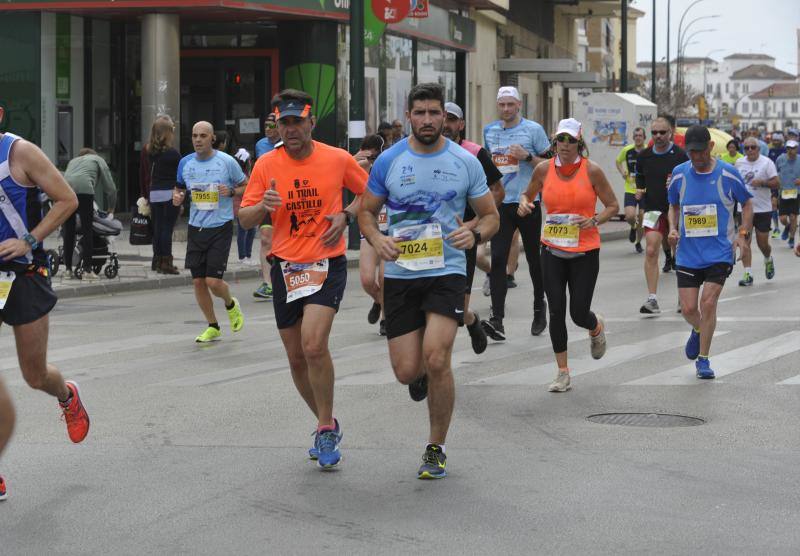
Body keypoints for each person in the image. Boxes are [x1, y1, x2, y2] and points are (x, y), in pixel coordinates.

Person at [359, 82, 499, 479]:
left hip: (447, 269)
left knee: (437, 357)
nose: (426, 120)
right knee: (407, 371)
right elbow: (367, 212)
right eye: (419, 113)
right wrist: (377, 238)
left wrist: (475, 233)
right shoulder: (389, 160)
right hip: (402, 273)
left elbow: (491, 216)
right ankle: (420, 372)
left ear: (445, 117)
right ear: (408, 116)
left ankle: (435, 447)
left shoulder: (464, 161)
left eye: (434, 113)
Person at [239, 89, 368, 470]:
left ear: (312, 122)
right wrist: (264, 206)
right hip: (286, 268)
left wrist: (346, 215)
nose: (291, 129)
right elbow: (245, 218)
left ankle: (325, 427)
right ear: (276, 125)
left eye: (297, 122)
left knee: (313, 346)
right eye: (284, 123)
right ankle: (325, 422)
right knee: (296, 358)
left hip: (327, 262)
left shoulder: (337, 158)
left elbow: (371, 193)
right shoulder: (266, 164)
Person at [0, 108, 91, 501]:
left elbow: (67, 199)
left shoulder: (19, 153)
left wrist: (30, 241)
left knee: (34, 375)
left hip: (24, 273)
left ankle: (66, 395)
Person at [519, 118, 618, 392]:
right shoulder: (542, 169)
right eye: (560, 139)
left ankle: (595, 326)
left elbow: (612, 205)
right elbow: (527, 196)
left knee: (577, 313)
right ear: (554, 141)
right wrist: (525, 205)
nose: (565, 145)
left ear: (579, 142)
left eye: (570, 140)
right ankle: (562, 373)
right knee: (557, 312)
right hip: (551, 249)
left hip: (585, 251)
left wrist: (594, 220)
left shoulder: (592, 171)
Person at [667, 125, 753, 379]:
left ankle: (703, 359)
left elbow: (746, 203)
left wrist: (742, 235)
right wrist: (672, 228)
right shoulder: (680, 174)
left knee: (708, 302)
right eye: (691, 152)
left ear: (711, 147)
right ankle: (697, 329)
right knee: (689, 309)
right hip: (688, 254)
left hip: (719, 252)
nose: (696, 157)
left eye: (701, 151)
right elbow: (672, 204)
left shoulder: (728, 173)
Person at [481, 85, 551, 341]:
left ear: (519, 105)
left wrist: (527, 156)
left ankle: (538, 308)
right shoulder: (490, 131)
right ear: (498, 106)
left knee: (534, 258)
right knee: (498, 258)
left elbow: (549, 164)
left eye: (511, 104)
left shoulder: (533, 130)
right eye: (502, 105)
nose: (507, 109)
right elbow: (490, 164)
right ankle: (497, 319)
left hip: (528, 201)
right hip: (501, 203)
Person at [173, 121, 246, 343]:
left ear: (212, 138)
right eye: (194, 135)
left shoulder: (226, 162)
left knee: (213, 281)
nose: (197, 140)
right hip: (196, 227)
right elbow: (179, 190)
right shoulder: (185, 163)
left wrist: (232, 190)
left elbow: (247, 185)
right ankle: (212, 325)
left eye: (203, 136)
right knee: (198, 281)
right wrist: (177, 198)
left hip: (220, 226)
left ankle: (231, 304)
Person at [442, 101, 504, 354]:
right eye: (441, 117)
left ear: (461, 124)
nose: (445, 125)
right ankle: (429, 366)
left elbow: (498, 191)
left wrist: (474, 224)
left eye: (451, 120)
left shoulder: (474, 154)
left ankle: (471, 320)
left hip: (461, 238)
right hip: (426, 242)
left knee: (456, 311)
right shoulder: (416, 153)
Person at [635, 117, 688, 315]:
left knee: (679, 252)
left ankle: (683, 297)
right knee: (650, 250)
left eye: (662, 132)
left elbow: (689, 181)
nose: (658, 136)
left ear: (671, 132)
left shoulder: (681, 156)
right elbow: (639, 176)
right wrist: (640, 190)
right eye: (654, 132)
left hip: (677, 210)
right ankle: (652, 299)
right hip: (653, 209)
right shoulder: (644, 156)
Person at [62, 147, 117, 280]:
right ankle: (87, 270)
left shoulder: (73, 161)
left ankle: (68, 270)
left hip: (66, 190)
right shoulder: (98, 159)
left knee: (68, 230)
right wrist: (111, 208)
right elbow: (110, 187)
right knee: (87, 230)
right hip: (85, 190)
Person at [354, 134, 389, 334]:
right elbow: (339, 174)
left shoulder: (388, 166)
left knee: (384, 278)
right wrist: (356, 159)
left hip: (388, 228)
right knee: (367, 280)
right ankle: (379, 301)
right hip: (368, 228)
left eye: (376, 157)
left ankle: (386, 318)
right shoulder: (360, 168)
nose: (372, 162)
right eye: (369, 157)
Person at [734, 137, 779, 286]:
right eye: (747, 148)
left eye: (753, 147)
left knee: (762, 243)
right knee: (745, 240)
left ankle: (768, 259)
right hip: (744, 209)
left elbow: (777, 183)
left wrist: (763, 183)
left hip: (763, 209)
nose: (750, 150)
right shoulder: (739, 163)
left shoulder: (767, 162)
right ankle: (748, 274)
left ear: (758, 149)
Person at [140, 115, 181, 275]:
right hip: (170, 194)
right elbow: (180, 177)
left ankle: (156, 260)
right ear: (168, 132)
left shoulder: (147, 150)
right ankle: (166, 262)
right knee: (167, 229)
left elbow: (143, 174)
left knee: (157, 228)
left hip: (154, 194)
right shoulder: (173, 153)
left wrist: (145, 195)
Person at [214, 131, 257, 266]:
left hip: (250, 205)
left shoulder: (248, 174)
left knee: (251, 230)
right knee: (243, 230)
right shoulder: (239, 176)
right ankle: (242, 256)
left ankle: (248, 255)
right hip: (240, 206)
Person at [253, 113, 282, 300]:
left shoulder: (289, 144)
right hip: (266, 197)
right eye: (266, 125)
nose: (268, 129)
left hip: (286, 198)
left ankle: (283, 276)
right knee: (265, 238)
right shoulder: (260, 145)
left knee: (279, 239)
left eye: (272, 126)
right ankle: (268, 284)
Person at [616, 127, 646, 253]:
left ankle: (638, 242)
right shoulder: (627, 150)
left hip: (645, 189)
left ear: (644, 137)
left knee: (642, 217)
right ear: (633, 138)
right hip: (630, 188)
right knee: (629, 216)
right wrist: (622, 171)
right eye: (636, 135)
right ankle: (633, 227)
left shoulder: (648, 151)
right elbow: (618, 161)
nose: (638, 137)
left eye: (640, 135)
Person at [776, 139, 800, 249]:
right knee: (783, 219)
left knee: (793, 217)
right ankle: (788, 226)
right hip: (783, 192)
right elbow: (774, 173)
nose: (791, 150)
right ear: (786, 149)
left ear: (797, 149)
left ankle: (791, 238)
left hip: (796, 192)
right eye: (789, 148)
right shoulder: (780, 159)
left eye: (793, 148)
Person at [767, 133, 786, 237]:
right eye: (774, 140)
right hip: (774, 181)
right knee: (773, 204)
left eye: (777, 140)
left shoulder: (785, 150)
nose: (775, 142)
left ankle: (788, 224)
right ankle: (776, 228)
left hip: (785, 183)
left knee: (785, 207)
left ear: (781, 141)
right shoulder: (771, 151)